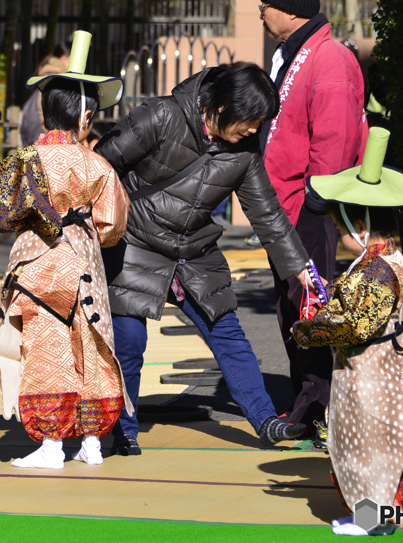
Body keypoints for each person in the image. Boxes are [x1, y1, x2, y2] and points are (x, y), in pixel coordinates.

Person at [95, 63, 315, 455]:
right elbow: (101, 164)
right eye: (249, 120)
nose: (253, 130)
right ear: (223, 105)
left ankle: (265, 421)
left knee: (228, 333)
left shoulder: (244, 153)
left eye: (260, 123)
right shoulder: (161, 115)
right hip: (135, 243)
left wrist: (299, 268)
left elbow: (267, 214)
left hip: (194, 249)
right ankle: (122, 429)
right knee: (128, 342)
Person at [0, 31, 130, 469]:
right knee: (90, 346)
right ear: (86, 118)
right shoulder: (96, 162)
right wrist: (88, 232)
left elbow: (0, 215)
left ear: (45, 113)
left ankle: (51, 445)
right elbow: (114, 221)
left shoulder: (23, 160)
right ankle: (92, 442)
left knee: (48, 349)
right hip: (83, 258)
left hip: (37, 262)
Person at [293, 128, 403, 536]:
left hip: (373, 371)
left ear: (360, 226)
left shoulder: (377, 269)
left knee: (373, 445)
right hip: (373, 368)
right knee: (367, 441)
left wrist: (309, 328)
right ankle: (366, 516)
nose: (339, 237)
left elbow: (356, 324)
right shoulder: (382, 260)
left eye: (340, 230)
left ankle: (376, 521)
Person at [258, 0, 369, 430]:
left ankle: (318, 407)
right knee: (291, 304)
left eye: (265, 5)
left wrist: (316, 200)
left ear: (289, 9)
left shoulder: (329, 59)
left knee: (311, 305)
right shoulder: (295, 53)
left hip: (308, 206)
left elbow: (336, 137)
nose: (260, 13)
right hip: (284, 204)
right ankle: (308, 401)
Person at [19, 44, 69, 147]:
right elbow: (43, 105)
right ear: (64, 58)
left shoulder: (49, 73)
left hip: (34, 127)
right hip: (41, 131)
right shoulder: (53, 75)